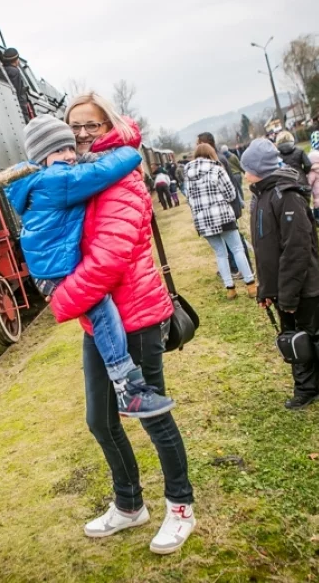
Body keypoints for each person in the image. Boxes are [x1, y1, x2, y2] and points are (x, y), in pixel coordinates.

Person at [50, 92, 195, 555]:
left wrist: (62, 298)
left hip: (137, 315)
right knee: (100, 420)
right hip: (101, 322)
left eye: (91, 125)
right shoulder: (83, 173)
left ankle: (180, 507)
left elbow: (109, 259)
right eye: (74, 126)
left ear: (108, 126)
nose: (81, 134)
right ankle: (130, 504)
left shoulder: (121, 176)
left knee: (151, 416)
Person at [0, 115, 174, 418]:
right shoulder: (55, 181)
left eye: (69, 148)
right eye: (58, 150)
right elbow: (102, 172)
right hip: (56, 271)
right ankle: (126, 388)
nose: (68, 155)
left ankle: (126, 387)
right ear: (41, 157)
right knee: (103, 313)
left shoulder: (40, 178)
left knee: (102, 313)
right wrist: (130, 152)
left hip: (51, 269)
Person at [242, 138, 319, 424]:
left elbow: (296, 250)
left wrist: (290, 294)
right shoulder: (261, 195)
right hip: (282, 290)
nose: (244, 173)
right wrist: (266, 289)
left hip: (303, 289)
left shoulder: (288, 196)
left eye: (247, 168)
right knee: (295, 342)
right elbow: (265, 249)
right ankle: (307, 389)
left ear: (258, 169)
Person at [183, 143, 257, 300]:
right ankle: (250, 285)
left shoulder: (188, 173)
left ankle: (230, 289)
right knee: (237, 249)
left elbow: (188, 197)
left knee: (220, 253)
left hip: (203, 220)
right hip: (223, 216)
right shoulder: (217, 168)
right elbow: (231, 194)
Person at [198, 132, 252, 277]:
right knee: (230, 240)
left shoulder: (217, 160)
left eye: (198, 143)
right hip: (223, 208)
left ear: (205, 144)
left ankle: (242, 268)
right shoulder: (215, 159)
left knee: (235, 241)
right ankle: (235, 267)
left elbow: (228, 187)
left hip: (226, 207)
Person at [0, 47, 33, 123]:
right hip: (19, 109)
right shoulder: (15, 72)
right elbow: (18, 93)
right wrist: (24, 114)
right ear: (15, 60)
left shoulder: (4, 70)